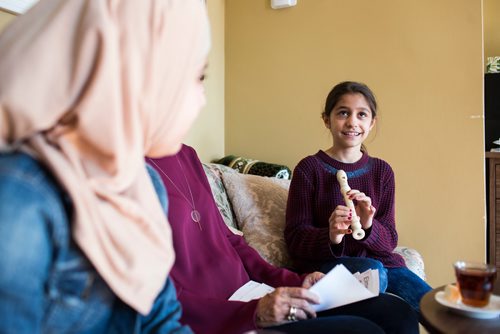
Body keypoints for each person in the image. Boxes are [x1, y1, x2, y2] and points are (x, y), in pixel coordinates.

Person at [0, 0, 209, 333]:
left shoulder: (144, 182)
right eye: (197, 75)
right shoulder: (16, 200)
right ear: (133, 73)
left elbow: (160, 320)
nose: (203, 99)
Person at [147, 144, 419, 334]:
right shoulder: (125, 172)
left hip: (254, 294)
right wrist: (254, 312)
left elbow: (232, 241)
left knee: (397, 312)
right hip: (221, 317)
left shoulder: (187, 155)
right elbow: (153, 300)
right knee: (363, 331)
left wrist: (295, 280)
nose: (200, 99)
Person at [284, 81, 432, 316]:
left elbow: (390, 240)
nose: (352, 122)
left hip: (382, 264)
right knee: (374, 273)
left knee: (433, 304)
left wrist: (368, 225)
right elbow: (294, 238)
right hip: (327, 265)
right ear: (327, 119)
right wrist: (331, 235)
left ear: (371, 123)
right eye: (343, 113)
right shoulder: (308, 169)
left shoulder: (382, 171)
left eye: (361, 114)